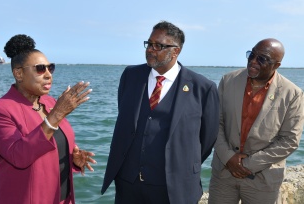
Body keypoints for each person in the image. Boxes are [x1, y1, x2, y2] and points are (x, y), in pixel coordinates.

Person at [101, 21, 219, 203]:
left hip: (173, 188)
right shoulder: (130, 76)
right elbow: (126, 119)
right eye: (149, 44)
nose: (150, 49)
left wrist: (182, 161)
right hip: (128, 184)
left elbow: (207, 139)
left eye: (158, 46)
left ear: (176, 51)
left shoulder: (202, 88)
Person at [0, 34, 97, 204]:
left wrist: (72, 158)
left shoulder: (51, 103)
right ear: (19, 73)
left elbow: (53, 147)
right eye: (40, 68)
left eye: (50, 68)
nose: (48, 75)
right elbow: (19, 156)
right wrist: (57, 115)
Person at [208, 38, 304, 204]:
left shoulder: (293, 94)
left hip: (263, 178)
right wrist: (229, 158)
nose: (253, 61)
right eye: (251, 54)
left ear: (277, 65)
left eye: (262, 59)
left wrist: (248, 164)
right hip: (224, 173)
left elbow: (290, 140)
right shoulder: (227, 81)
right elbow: (215, 123)